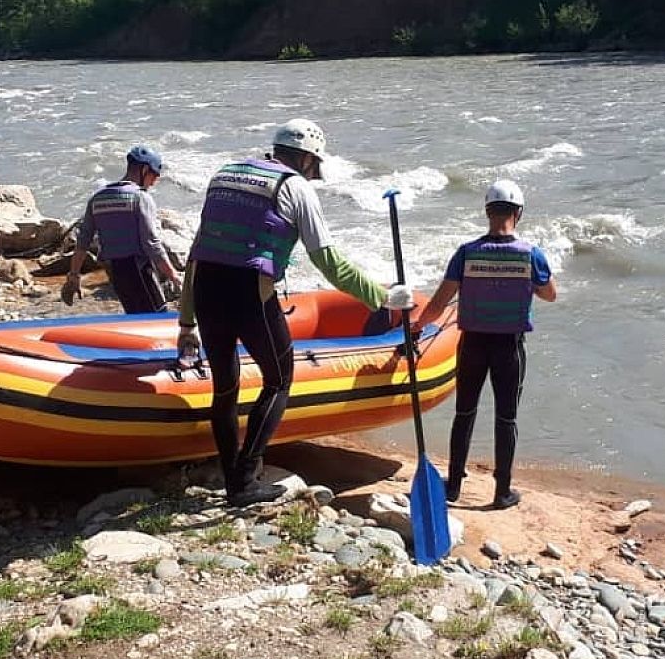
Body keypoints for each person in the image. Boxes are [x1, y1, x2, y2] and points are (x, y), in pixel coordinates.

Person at [177, 119, 397, 506]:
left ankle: (233, 480)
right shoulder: (295, 187)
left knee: (224, 388)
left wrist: (186, 321)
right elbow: (330, 263)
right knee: (278, 381)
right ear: (309, 160)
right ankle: (246, 478)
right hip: (250, 295)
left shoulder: (225, 175)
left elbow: (198, 249)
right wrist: (381, 298)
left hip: (207, 289)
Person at [410, 179, 557, 510]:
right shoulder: (530, 254)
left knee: (464, 412)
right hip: (509, 348)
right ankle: (502, 491)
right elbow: (550, 294)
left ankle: (453, 487)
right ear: (518, 213)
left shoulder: (466, 253)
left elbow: (438, 303)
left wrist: (418, 326)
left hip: (472, 345)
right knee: (506, 418)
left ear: (487, 212)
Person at [61, 145, 181, 313]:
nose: (155, 181)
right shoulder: (140, 198)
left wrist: (74, 275)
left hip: (115, 271)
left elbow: (83, 241)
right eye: (154, 175)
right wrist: (173, 275)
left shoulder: (97, 198)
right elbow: (151, 243)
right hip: (139, 269)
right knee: (156, 315)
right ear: (145, 169)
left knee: (133, 314)